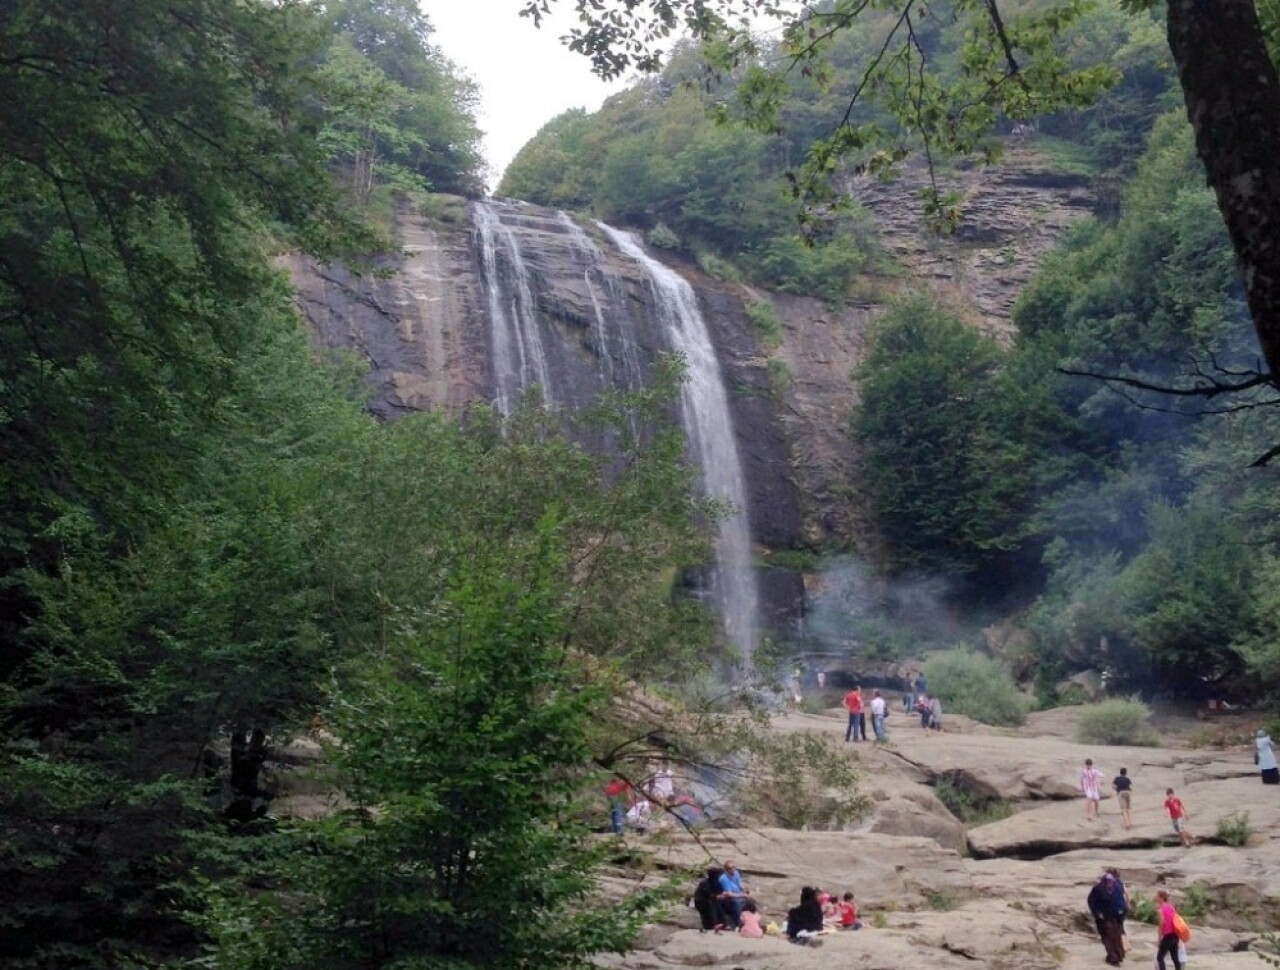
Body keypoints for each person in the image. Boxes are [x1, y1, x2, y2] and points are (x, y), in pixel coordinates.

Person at [1086, 872, 1126, 966]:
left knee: (1113, 937)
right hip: (1103, 917)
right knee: (1108, 937)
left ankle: (1115, 957)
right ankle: (1114, 957)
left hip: (1114, 917)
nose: (1110, 884)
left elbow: (1121, 902)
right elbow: (1091, 901)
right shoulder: (1098, 889)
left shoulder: (1116, 887)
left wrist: (1121, 915)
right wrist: (1097, 913)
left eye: (1111, 882)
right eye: (1108, 882)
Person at [1155, 889, 1184, 970]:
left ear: (1161, 897)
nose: (1155, 897)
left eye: (1157, 896)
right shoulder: (1171, 907)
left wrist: (1159, 939)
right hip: (1175, 936)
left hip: (1167, 936)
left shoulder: (1161, 910)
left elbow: (1161, 925)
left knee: (1160, 958)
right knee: (1175, 958)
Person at [692, 867, 728, 933]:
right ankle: (714, 924)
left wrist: (723, 894)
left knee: (718, 905)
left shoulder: (716, 882)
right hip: (702, 902)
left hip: (711, 900)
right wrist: (717, 897)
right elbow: (708, 895)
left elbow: (720, 890)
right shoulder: (704, 883)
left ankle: (723, 923)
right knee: (712, 904)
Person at [718, 860, 752, 928]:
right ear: (726, 870)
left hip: (738, 895)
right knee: (737, 902)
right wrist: (742, 895)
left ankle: (751, 922)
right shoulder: (724, 878)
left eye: (734, 867)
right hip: (728, 899)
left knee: (751, 901)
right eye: (730, 868)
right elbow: (729, 894)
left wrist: (745, 891)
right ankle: (738, 924)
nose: (733, 870)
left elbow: (740, 885)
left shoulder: (736, 873)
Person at [1107, 867, 1132, 954]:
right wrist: (1128, 904)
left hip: (1116, 908)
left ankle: (1124, 946)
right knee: (1120, 926)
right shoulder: (1120, 882)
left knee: (1116, 927)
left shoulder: (1109, 884)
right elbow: (1126, 893)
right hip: (1123, 907)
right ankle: (1126, 945)